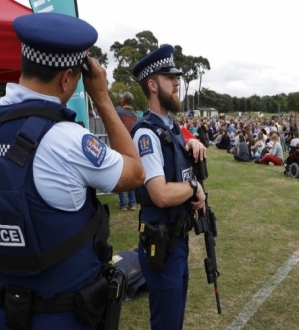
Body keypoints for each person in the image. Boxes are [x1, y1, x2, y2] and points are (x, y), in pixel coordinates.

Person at [0, 12, 145, 329]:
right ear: (66, 77)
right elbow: (135, 173)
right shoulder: (67, 140)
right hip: (61, 314)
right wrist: (103, 98)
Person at [131, 44, 207, 330]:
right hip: (161, 246)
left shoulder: (171, 126)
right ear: (152, 84)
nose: (177, 82)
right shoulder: (147, 134)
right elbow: (160, 195)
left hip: (176, 241)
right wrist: (194, 187)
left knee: (173, 321)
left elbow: (181, 146)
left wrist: (193, 142)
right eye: (169, 77)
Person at [117, 92, 138, 211]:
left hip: (120, 146)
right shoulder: (135, 115)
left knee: (120, 174)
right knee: (131, 174)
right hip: (132, 147)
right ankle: (132, 202)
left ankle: (123, 203)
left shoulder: (118, 113)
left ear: (124, 100)